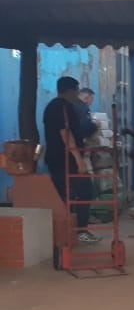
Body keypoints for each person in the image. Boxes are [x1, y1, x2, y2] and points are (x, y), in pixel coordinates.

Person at [42, 76, 100, 244]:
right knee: (85, 191)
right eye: (76, 89)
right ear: (70, 90)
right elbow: (65, 133)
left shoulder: (51, 106)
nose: (77, 93)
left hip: (56, 159)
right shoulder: (63, 107)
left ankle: (66, 233)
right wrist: (78, 158)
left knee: (64, 196)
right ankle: (80, 230)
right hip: (66, 159)